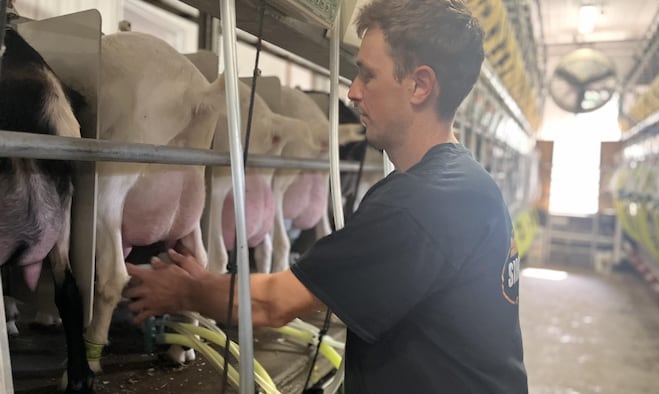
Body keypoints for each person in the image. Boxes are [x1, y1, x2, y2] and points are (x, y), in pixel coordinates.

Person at [124, 0, 529, 392]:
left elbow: (274, 305)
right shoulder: (463, 183)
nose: (352, 93)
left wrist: (185, 291)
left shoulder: (421, 204)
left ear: (420, 85)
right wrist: (211, 281)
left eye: (368, 76)